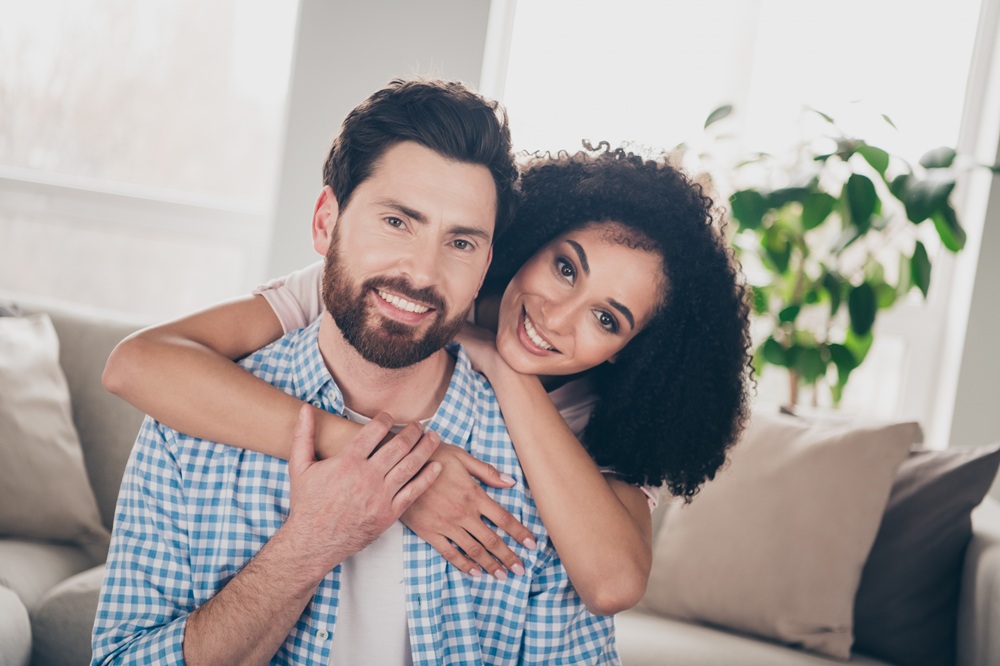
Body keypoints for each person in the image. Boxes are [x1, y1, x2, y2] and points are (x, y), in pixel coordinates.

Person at [102, 142, 754, 619]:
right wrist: (387, 464)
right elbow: (136, 364)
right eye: (565, 268)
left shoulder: (610, 418)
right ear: (534, 239)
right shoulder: (400, 293)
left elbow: (613, 583)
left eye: (607, 319)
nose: (556, 317)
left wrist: (505, 369)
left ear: (631, 353)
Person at [92, 79, 620, 666]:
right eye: (397, 222)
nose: (421, 272)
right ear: (326, 223)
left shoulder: (533, 477)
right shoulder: (189, 424)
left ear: (485, 268)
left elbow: (612, 583)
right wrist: (310, 543)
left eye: (460, 243)